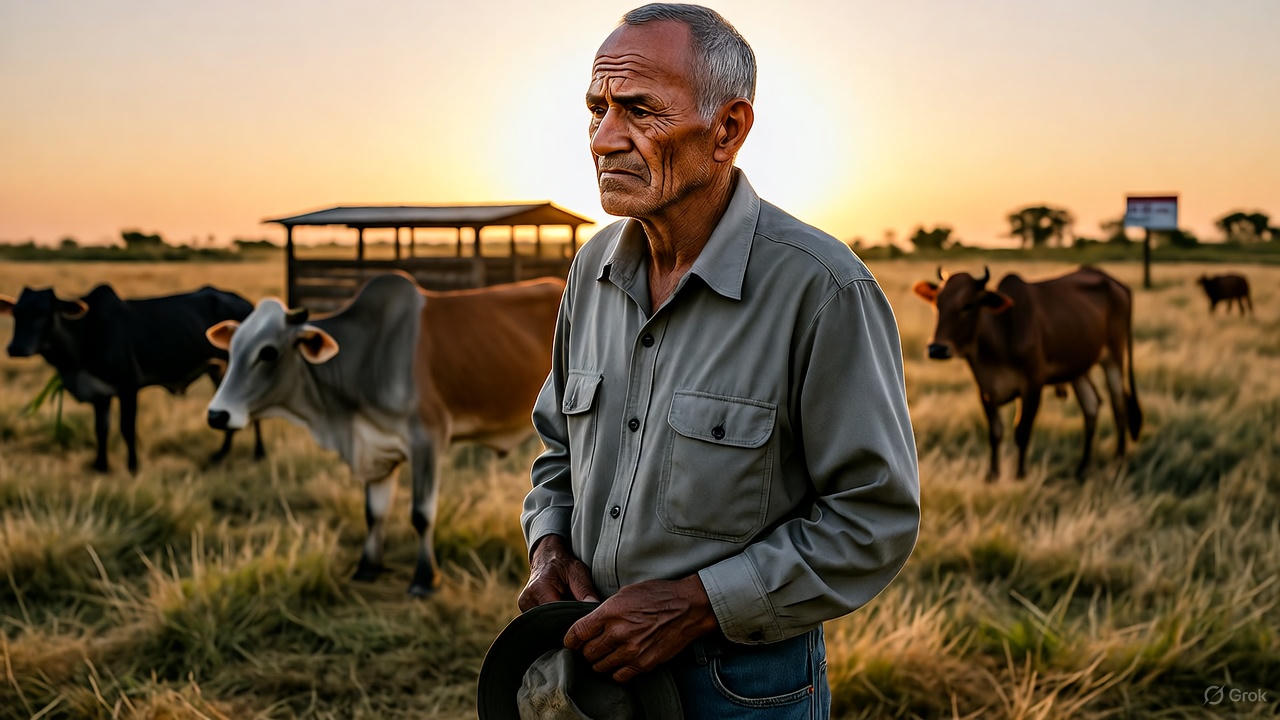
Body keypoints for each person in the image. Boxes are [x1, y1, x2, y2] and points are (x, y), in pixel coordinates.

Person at [518, 4, 920, 717]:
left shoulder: (822, 289)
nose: (605, 139)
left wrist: (698, 605)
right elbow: (557, 447)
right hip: (592, 674)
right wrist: (548, 547)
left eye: (638, 110)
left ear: (728, 128)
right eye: (596, 110)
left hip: (743, 687)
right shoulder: (592, 272)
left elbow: (873, 517)